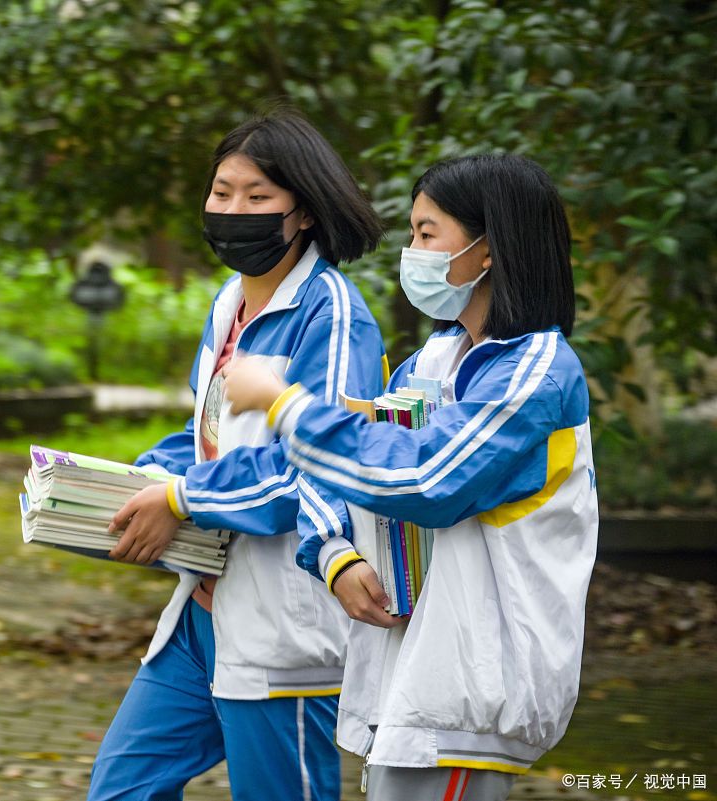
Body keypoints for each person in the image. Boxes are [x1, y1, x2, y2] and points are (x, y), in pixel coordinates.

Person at [225, 153, 597, 801]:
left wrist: (286, 405)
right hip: (412, 682)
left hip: (469, 689)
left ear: (489, 251)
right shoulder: (434, 359)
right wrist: (334, 551)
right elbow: (350, 463)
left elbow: (428, 478)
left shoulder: (538, 373)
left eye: (428, 234)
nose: (412, 251)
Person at [87, 108, 387, 801]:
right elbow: (211, 435)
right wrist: (137, 476)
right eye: (222, 192)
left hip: (285, 620)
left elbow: (321, 464)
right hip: (204, 605)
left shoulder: (333, 314)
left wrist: (180, 499)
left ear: (304, 212)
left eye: (258, 197)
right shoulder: (228, 304)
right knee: (122, 788)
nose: (233, 210)